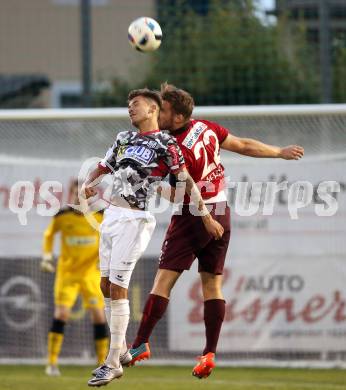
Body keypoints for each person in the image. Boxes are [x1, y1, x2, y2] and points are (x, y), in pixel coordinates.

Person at [129, 83, 305, 379]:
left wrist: (148, 184)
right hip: (221, 211)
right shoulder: (205, 127)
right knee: (212, 285)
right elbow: (244, 145)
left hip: (194, 214)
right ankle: (209, 353)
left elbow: (180, 191)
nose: (158, 115)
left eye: (165, 111)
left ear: (178, 117)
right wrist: (279, 152)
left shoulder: (173, 148)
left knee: (163, 282)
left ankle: (139, 343)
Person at [81, 88, 224, 387]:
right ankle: (119, 352)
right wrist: (87, 183)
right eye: (128, 104)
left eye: (135, 104)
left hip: (135, 219)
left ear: (152, 110)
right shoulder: (123, 138)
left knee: (119, 287)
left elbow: (186, 181)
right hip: (111, 216)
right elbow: (104, 165)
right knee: (104, 284)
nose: (130, 109)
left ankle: (112, 363)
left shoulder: (166, 142)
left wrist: (207, 217)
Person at [41, 180, 108, 376]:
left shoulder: (99, 216)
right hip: (67, 274)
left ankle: (102, 364)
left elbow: (110, 238)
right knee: (61, 314)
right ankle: (51, 363)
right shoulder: (62, 216)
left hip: (90, 275)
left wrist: (106, 258)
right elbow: (48, 235)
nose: (79, 198)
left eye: (83, 195)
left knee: (99, 316)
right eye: (75, 194)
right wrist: (46, 257)